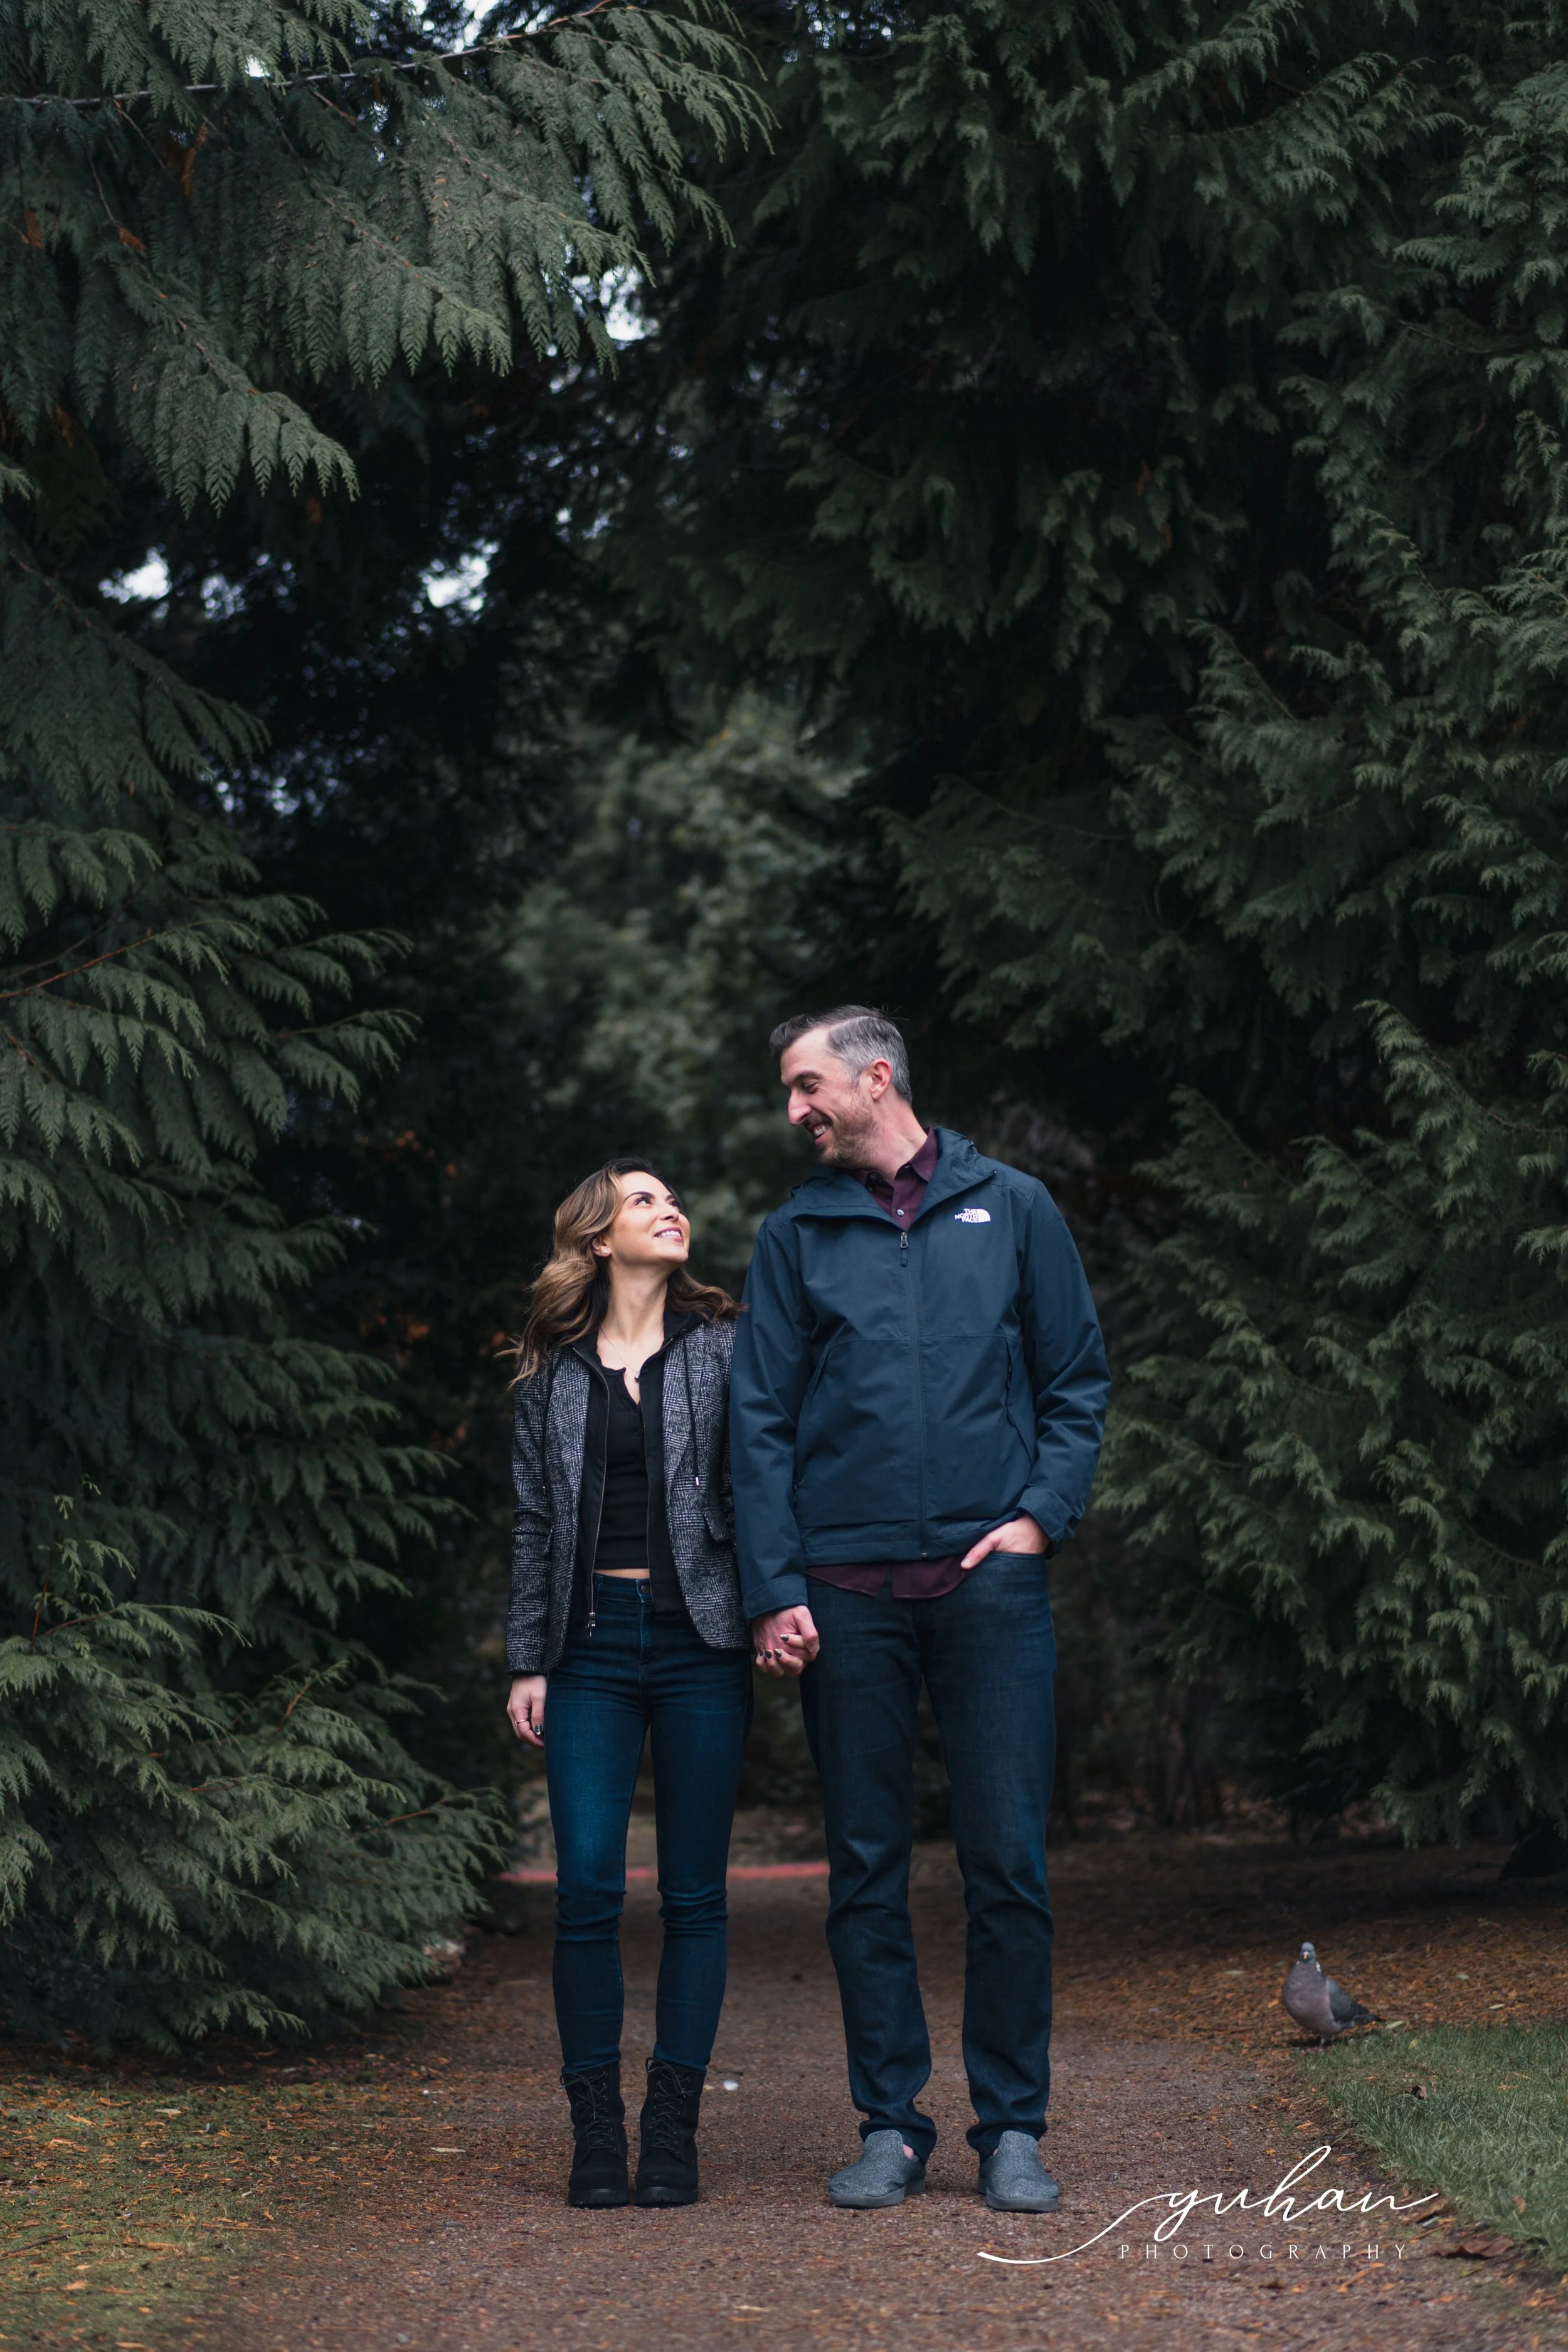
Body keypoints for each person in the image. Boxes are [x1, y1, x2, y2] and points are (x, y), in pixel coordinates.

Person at [731, 1010, 1108, 2213]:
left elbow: (1076, 1379)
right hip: (846, 1598)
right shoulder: (796, 1236)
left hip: (989, 1583)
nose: (794, 1110)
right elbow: (761, 1424)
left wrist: (1040, 1516)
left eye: (806, 1086)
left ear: (874, 1077)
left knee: (1007, 1860)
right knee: (864, 1868)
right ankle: (891, 2121)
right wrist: (777, 1587)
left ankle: (1012, 2127)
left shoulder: (1017, 1206)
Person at [506, 1160, 751, 2210]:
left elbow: (764, 1487)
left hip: (702, 1642)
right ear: (601, 1239)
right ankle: (596, 2131)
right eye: (645, 1200)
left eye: (672, 1197)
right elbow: (531, 1521)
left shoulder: (729, 1351)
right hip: (590, 1649)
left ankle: (671, 2130)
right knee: (590, 1888)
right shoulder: (549, 1374)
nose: (671, 1209)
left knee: (694, 1895)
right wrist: (527, 1655)